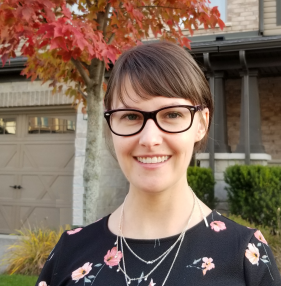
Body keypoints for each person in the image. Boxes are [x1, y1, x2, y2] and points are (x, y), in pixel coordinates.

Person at [36, 42, 281, 286]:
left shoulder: (246, 257)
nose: (150, 139)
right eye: (131, 116)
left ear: (201, 123)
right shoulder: (70, 252)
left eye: (172, 114)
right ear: (111, 125)